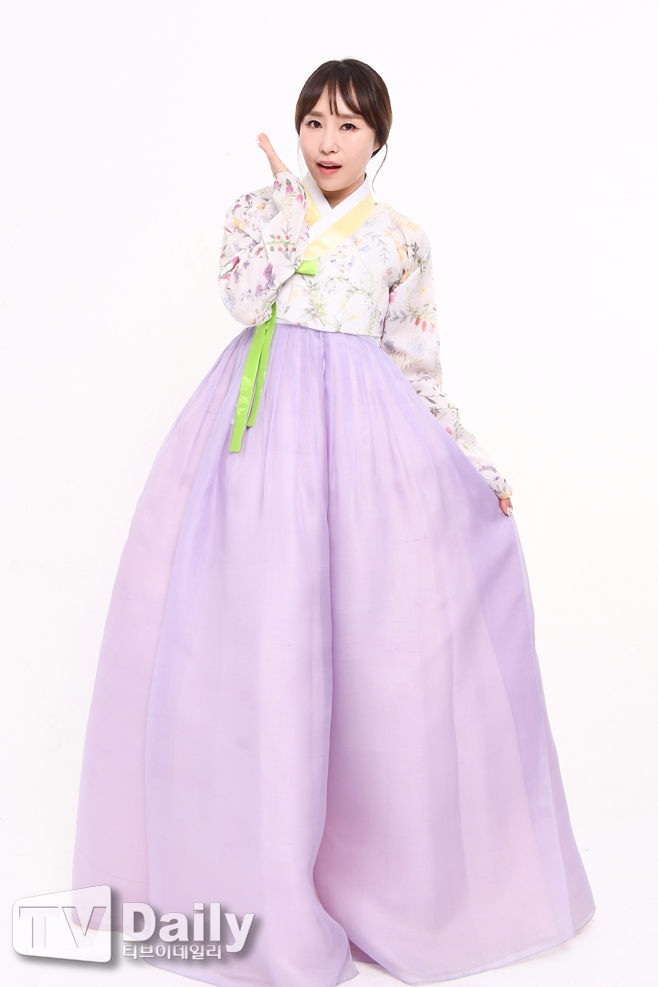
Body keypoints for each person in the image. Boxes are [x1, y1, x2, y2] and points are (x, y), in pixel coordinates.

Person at [72, 58, 595, 987]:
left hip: (364, 455)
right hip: (261, 446)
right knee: (262, 647)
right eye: (315, 120)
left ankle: (374, 882)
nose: (327, 141)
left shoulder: (403, 238)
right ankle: (252, 881)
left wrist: (477, 463)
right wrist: (286, 211)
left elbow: (417, 364)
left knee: (371, 655)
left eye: (349, 125)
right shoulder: (259, 211)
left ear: (378, 139)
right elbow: (243, 301)